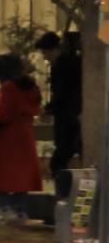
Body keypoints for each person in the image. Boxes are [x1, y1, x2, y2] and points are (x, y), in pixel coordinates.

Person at [0, 52, 45, 219]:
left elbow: (1, 114)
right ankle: (20, 210)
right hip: (25, 136)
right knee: (21, 177)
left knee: (0, 176)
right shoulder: (29, 88)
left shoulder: (9, 88)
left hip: (7, 139)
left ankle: (3, 210)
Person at [38, 31, 83, 203]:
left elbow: (61, 95)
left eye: (45, 53)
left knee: (58, 163)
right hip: (76, 118)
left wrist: (49, 109)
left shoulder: (61, 66)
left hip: (67, 121)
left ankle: (64, 201)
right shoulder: (77, 62)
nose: (45, 58)